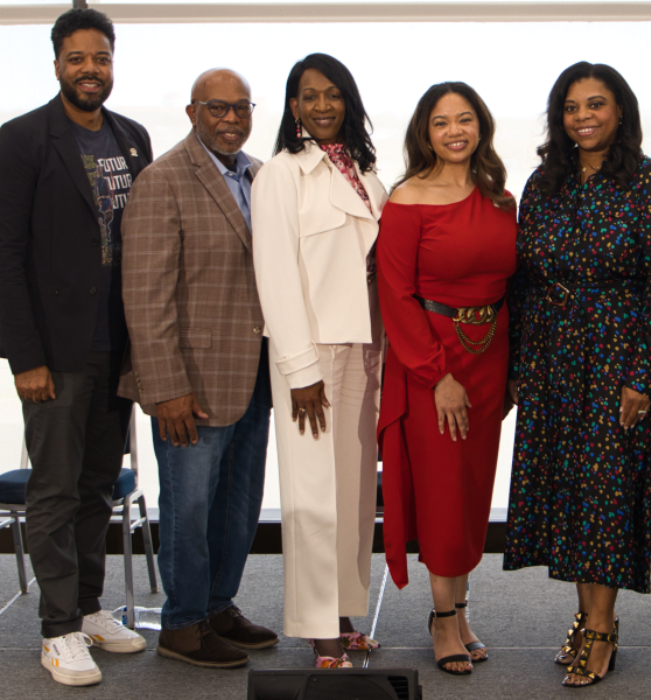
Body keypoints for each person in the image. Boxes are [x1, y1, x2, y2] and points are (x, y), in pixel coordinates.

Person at [504, 61, 651, 688]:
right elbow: (524, 283)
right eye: (572, 107)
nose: (583, 117)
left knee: (605, 493)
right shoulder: (541, 184)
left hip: (616, 356)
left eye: (596, 104)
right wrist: (522, 366)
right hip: (553, 356)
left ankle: (603, 625)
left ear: (620, 111)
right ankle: (585, 617)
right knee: (568, 494)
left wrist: (641, 377)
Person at [0, 8, 153, 687]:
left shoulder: (133, 139)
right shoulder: (21, 140)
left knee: (97, 487)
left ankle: (89, 608)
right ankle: (57, 629)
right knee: (55, 490)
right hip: (55, 353)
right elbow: (4, 255)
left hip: (117, 350)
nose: (91, 69)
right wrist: (22, 355)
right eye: (78, 58)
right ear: (57, 63)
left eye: (102, 57)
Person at [119, 68, 277, 669]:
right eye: (218, 108)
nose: (231, 118)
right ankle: (183, 625)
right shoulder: (162, 181)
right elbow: (144, 294)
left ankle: (217, 605)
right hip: (191, 384)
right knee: (189, 507)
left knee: (238, 505)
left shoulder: (259, 176)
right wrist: (166, 389)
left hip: (255, 374)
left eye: (241, 108)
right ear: (192, 113)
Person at [377, 81, 517, 675]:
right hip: (432, 363)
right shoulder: (407, 198)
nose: (455, 130)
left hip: (490, 358)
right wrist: (438, 374)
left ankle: (460, 607)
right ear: (424, 132)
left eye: (465, 119)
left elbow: (516, 286)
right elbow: (396, 296)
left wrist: (512, 369)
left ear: (480, 126)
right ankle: (440, 618)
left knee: (471, 489)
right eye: (441, 122)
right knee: (440, 488)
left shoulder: (502, 198)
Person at [252, 53, 386, 669]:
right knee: (311, 496)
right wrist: (300, 370)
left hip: (363, 349)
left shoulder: (363, 169)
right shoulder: (281, 174)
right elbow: (274, 277)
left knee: (355, 495)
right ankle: (317, 628)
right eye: (310, 96)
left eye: (334, 94)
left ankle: (343, 612)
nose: (323, 106)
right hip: (312, 356)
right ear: (293, 106)